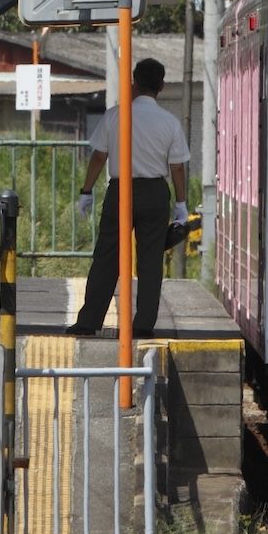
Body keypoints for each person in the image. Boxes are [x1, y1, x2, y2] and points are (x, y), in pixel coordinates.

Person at [67, 57, 191, 339]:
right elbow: (178, 167)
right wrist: (181, 204)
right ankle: (143, 323)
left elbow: (99, 156)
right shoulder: (169, 122)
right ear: (161, 86)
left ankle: (88, 321)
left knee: (107, 257)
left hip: (120, 191)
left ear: (134, 82)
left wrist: (86, 191)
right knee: (149, 262)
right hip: (155, 193)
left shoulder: (115, 115)